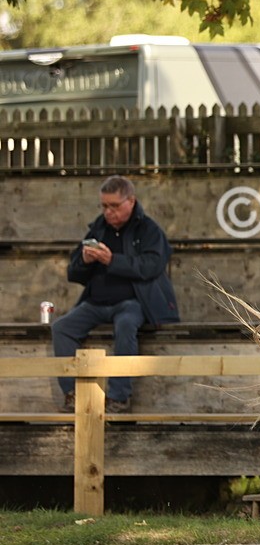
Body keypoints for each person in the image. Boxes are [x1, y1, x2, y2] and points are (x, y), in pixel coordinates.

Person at [53, 175, 180, 412]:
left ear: (131, 202)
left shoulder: (149, 229)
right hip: (95, 302)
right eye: (104, 206)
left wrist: (113, 261)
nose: (108, 212)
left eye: (114, 206)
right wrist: (84, 260)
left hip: (132, 302)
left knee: (125, 325)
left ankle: (119, 397)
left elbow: (151, 266)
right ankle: (72, 394)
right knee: (61, 327)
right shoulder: (98, 228)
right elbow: (73, 273)